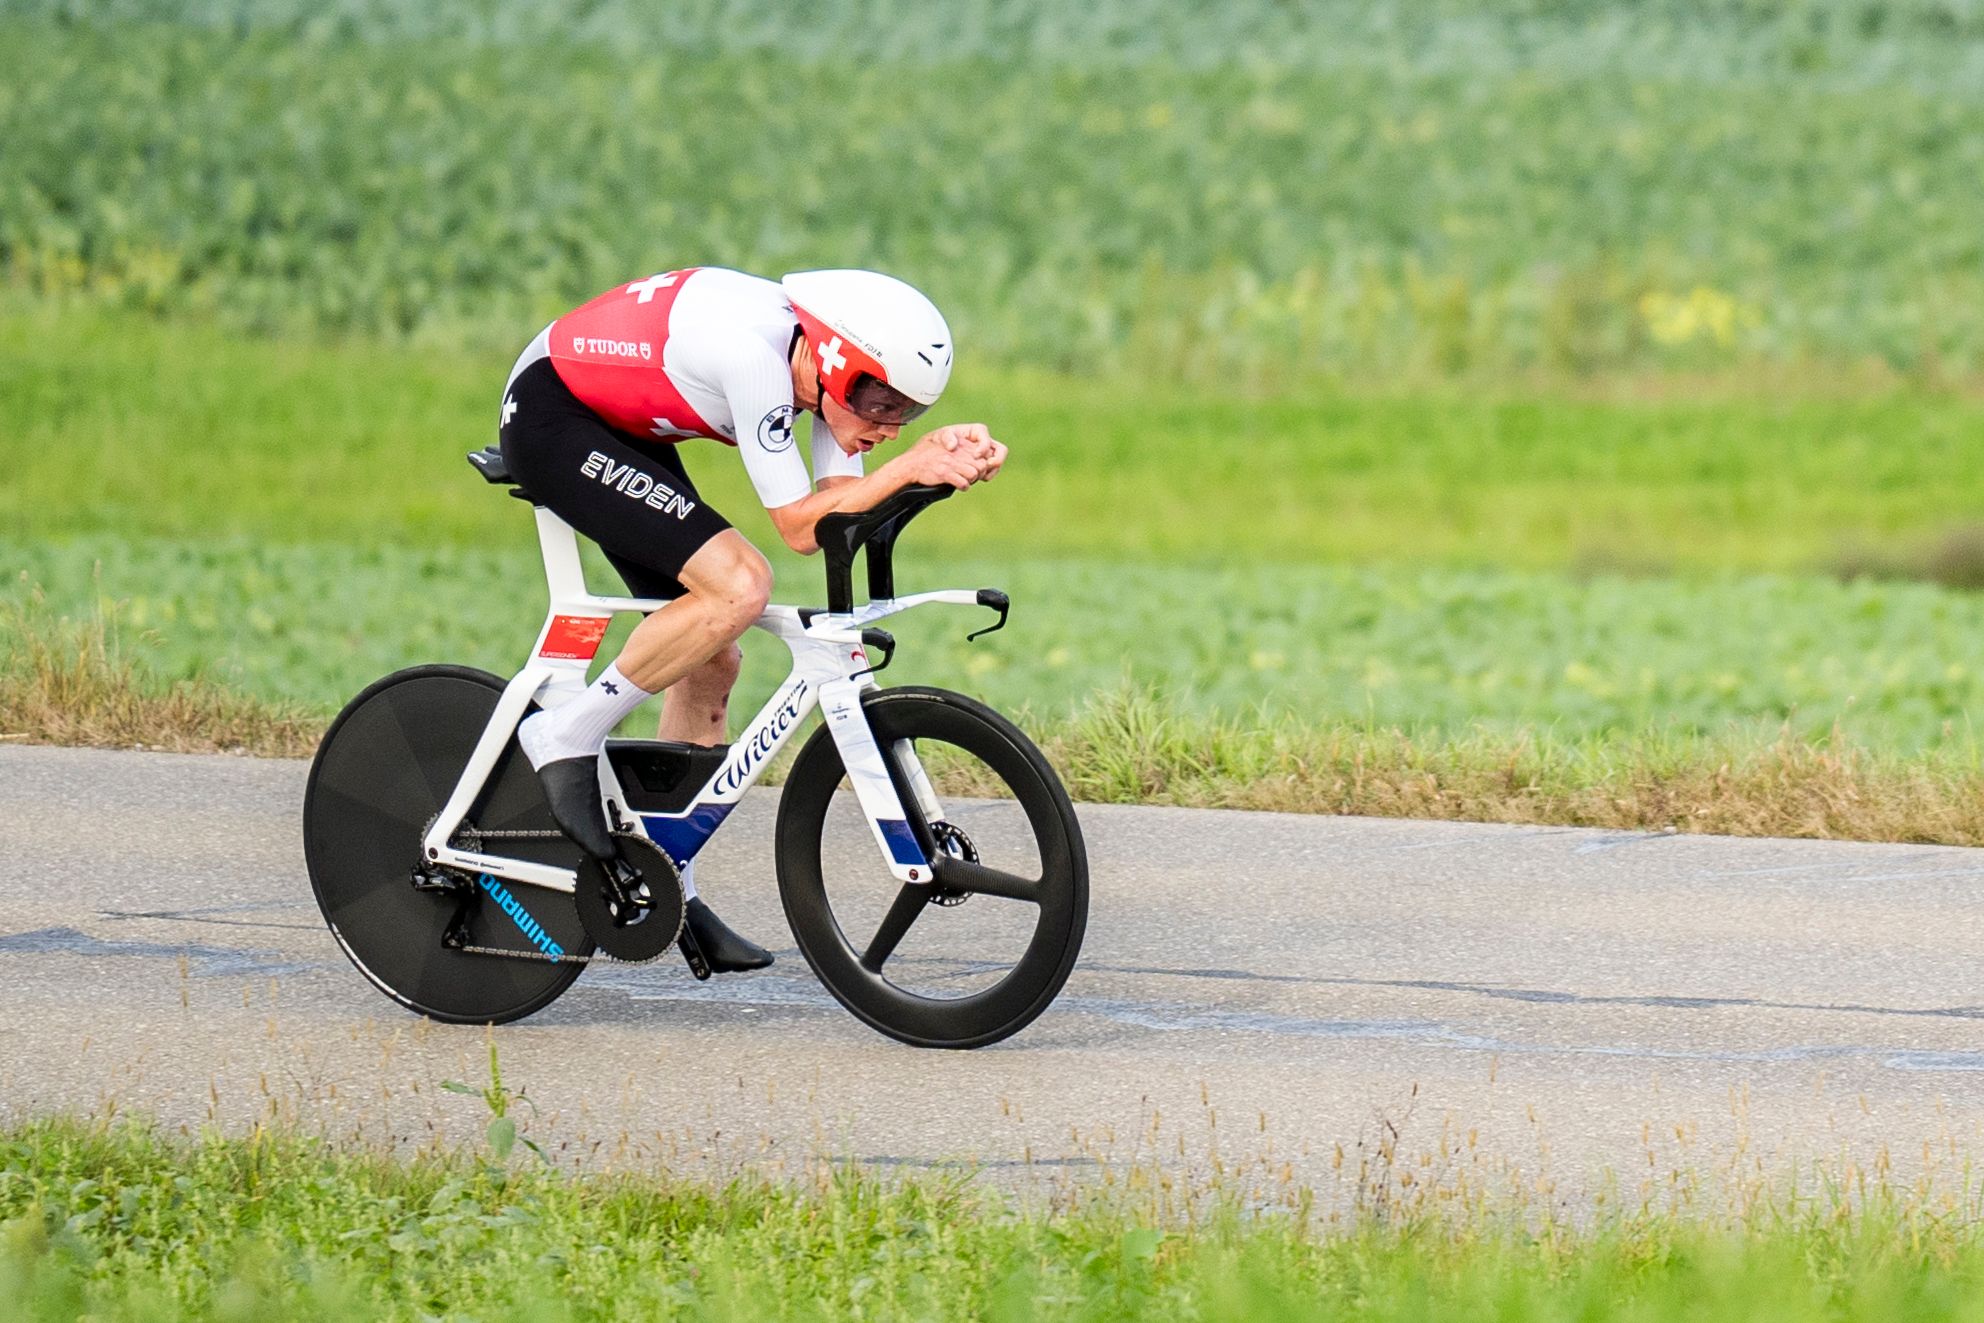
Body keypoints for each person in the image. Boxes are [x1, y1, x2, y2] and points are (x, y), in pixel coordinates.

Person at [496, 267, 1005, 971]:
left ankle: (669, 881)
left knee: (714, 651)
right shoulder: (755, 358)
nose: (887, 426)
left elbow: (843, 512)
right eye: (881, 400)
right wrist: (910, 459)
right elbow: (800, 528)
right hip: (554, 415)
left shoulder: (829, 387)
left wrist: (932, 461)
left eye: (907, 411)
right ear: (832, 360)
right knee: (740, 585)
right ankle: (563, 734)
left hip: (617, 424)